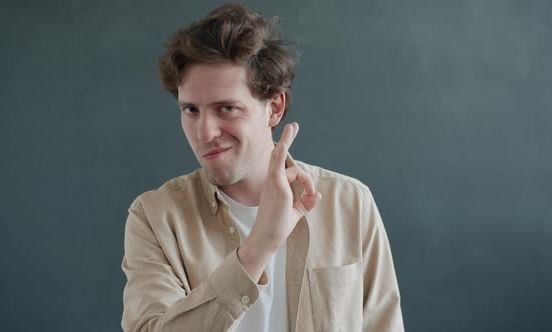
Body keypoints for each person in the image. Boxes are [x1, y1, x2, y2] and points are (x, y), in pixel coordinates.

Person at [121, 3, 404, 332]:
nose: (204, 133)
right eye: (190, 110)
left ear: (274, 108)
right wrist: (259, 247)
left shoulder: (351, 203)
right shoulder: (155, 218)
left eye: (226, 108)